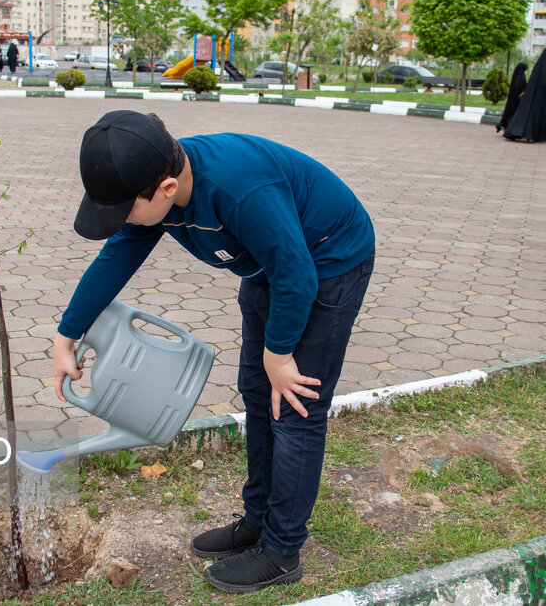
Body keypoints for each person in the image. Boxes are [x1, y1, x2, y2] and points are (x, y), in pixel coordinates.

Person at [54, 110, 375, 594]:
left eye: (124, 211)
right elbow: (117, 255)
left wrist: (279, 356)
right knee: (257, 391)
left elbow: (297, 276)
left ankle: (282, 550)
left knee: (295, 405)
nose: (121, 222)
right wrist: (66, 335)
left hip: (327, 261)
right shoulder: (156, 179)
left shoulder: (239, 190)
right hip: (271, 263)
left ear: (166, 188)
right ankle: (259, 520)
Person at [503, 47, 546, 142]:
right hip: (545, 98)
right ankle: (535, 135)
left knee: (528, 115)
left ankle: (520, 132)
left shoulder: (538, 66)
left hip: (532, 97)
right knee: (540, 117)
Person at [496, 62, 528, 133]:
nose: (526, 70)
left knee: (510, 111)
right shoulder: (521, 77)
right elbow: (519, 87)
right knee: (513, 113)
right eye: (526, 69)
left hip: (513, 97)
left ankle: (504, 125)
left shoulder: (517, 76)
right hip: (517, 98)